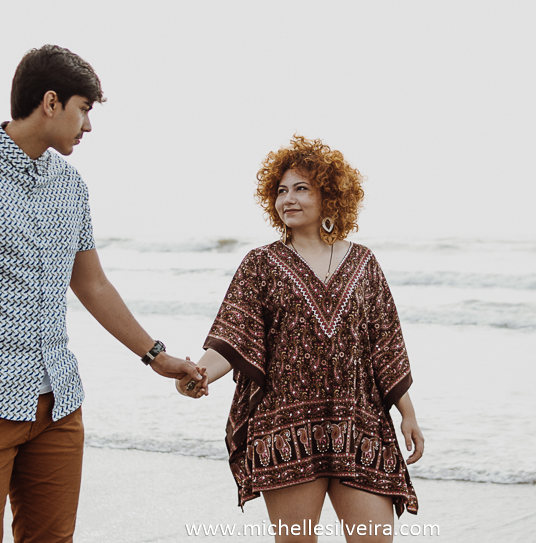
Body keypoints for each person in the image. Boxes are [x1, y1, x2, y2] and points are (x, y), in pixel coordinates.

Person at [0, 44, 204, 543]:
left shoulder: (71, 185)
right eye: (85, 109)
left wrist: (156, 356)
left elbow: (92, 283)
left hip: (57, 407)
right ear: (51, 102)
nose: (89, 125)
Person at [178, 135, 423, 542]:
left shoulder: (364, 262)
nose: (287, 199)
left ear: (329, 196)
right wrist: (197, 374)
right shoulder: (261, 263)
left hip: (357, 424)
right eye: (280, 190)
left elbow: (386, 344)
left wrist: (407, 414)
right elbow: (236, 335)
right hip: (286, 426)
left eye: (301, 189)